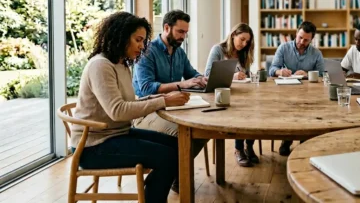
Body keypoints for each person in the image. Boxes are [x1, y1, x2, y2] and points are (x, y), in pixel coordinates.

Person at [71, 12, 190, 202]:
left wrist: (162, 96)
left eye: (143, 41)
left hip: (117, 134)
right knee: (168, 157)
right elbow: (118, 111)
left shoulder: (121, 64)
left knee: (178, 146)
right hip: (93, 147)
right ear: (121, 35)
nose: (142, 46)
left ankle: (152, 192)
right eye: (138, 40)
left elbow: (130, 102)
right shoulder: (101, 65)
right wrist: (164, 101)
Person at [131, 10, 208, 192]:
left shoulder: (179, 52)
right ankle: (170, 176)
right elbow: (146, 88)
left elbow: (192, 74)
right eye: (180, 32)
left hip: (172, 108)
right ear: (167, 28)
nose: (183, 37)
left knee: (204, 129)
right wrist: (181, 85)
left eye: (185, 33)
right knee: (188, 132)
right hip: (146, 112)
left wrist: (202, 79)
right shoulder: (147, 51)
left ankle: (175, 175)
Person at [204, 23, 258, 167]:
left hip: (241, 93)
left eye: (247, 41)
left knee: (254, 110)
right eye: (242, 39)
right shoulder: (218, 50)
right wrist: (233, 76)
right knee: (243, 112)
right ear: (233, 35)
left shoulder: (244, 53)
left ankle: (249, 146)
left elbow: (245, 75)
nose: (244, 44)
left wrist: (245, 76)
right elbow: (207, 75)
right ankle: (239, 149)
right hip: (222, 94)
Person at [269, 21, 324, 156]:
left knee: (308, 112)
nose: (301, 41)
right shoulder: (283, 48)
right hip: (285, 92)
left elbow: (323, 75)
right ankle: (286, 141)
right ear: (296, 34)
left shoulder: (316, 53)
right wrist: (279, 72)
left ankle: (304, 142)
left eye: (306, 40)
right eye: (300, 37)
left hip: (309, 93)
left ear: (312, 39)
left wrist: (307, 74)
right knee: (288, 112)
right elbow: (272, 69)